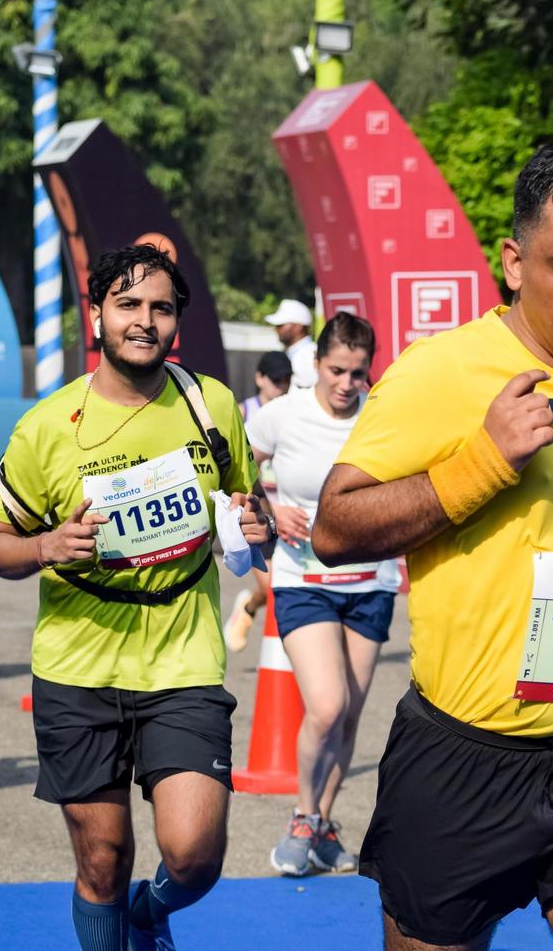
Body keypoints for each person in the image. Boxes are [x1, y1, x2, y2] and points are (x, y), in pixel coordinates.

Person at [312, 137, 553, 951]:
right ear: (514, 262)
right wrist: (479, 463)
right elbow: (333, 529)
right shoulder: (441, 372)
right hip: (464, 760)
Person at [0, 244, 272, 951]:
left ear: (177, 322)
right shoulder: (48, 426)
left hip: (182, 663)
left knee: (194, 855)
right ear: (97, 315)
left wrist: (252, 520)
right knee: (101, 861)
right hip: (77, 667)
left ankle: (148, 913)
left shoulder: (210, 403)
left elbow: (243, 502)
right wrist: (43, 546)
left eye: (160, 308)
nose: (144, 321)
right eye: (128, 305)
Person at [247, 312, 400, 878]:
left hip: (369, 583)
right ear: (315, 364)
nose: (346, 383)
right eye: (337, 370)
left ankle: (324, 824)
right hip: (302, 581)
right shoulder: (280, 415)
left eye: (358, 373)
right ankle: (302, 817)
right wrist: (266, 507)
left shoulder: (383, 417)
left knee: (351, 716)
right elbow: (234, 467)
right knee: (326, 706)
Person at [224, 350, 292, 652]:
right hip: (259, 512)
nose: (281, 386)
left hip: (291, 512)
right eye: (275, 380)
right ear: (259, 379)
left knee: (283, 588)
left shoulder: (294, 412)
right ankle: (251, 607)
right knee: (273, 586)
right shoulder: (243, 412)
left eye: (286, 380)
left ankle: (251, 607)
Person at [265, 298, 317, 387]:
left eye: (281, 325)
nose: (276, 329)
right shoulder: (300, 353)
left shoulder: (310, 355)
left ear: (298, 327)